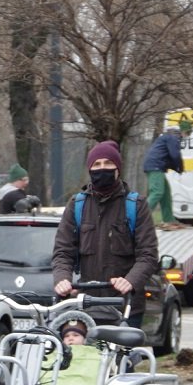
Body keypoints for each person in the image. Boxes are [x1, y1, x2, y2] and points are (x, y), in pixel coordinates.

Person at [52, 140, 158, 329]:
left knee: (124, 348)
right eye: (97, 164)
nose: (102, 168)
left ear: (118, 169)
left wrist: (130, 281)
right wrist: (62, 279)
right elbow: (63, 251)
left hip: (126, 306)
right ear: (90, 169)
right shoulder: (77, 205)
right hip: (87, 305)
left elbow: (148, 255)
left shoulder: (136, 205)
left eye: (108, 163)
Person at [142, 125, 185, 229]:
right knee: (157, 192)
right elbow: (175, 155)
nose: (182, 136)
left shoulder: (165, 138)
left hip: (156, 167)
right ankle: (139, 218)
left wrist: (177, 168)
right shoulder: (172, 138)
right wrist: (180, 167)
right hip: (155, 167)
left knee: (166, 194)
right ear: (177, 133)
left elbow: (167, 157)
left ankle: (169, 220)